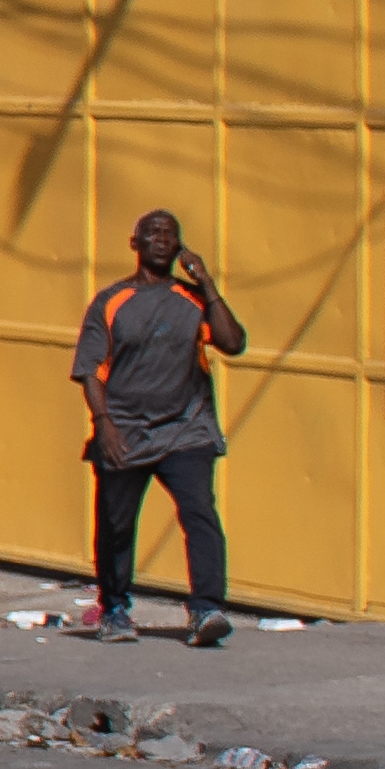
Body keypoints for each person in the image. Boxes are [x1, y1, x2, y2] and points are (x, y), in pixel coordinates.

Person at [68, 207, 246, 647]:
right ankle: (115, 610)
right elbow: (90, 370)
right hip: (125, 431)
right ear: (136, 244)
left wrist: (206, 282)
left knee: (200, 513)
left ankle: (206, 609)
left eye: (170, 234)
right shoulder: (112, 301)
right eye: (153, 233)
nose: (162, 239)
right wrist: (104, 424)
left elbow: (233, 343)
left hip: (187, 429)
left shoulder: (193, 299)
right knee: (116, 524)